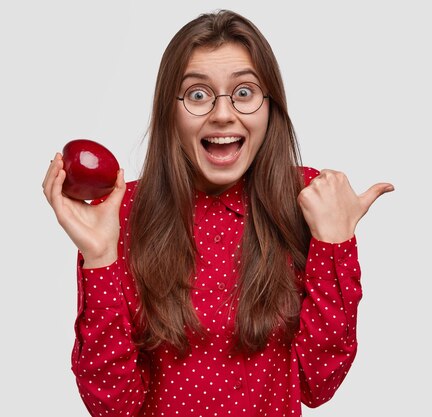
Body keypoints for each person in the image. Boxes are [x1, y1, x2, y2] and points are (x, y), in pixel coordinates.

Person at [42, 9, 393, 417]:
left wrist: (335, 242)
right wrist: (100, 258)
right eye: (197, 95)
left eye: (244, 92)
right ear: (169, 112)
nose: (223, 114)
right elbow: (114, 407)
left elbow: (317, 383)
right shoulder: (123, 212)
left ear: (269, 107)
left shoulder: (307, 200)